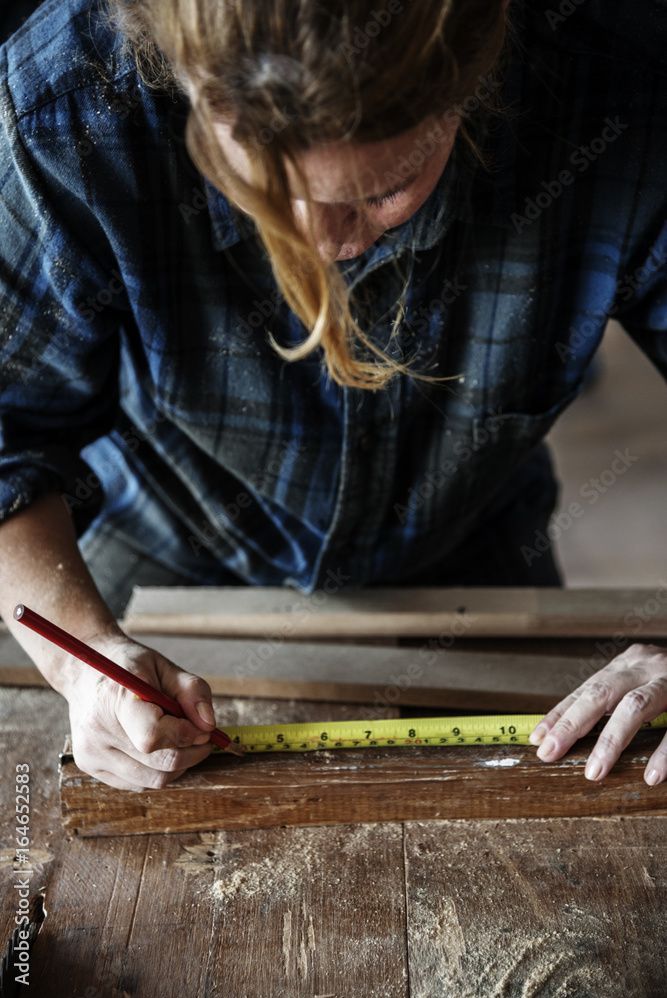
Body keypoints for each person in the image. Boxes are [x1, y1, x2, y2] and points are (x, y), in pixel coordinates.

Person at [0, 0, 665, 791]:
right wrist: (85, 661)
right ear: (186, 85)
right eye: (266, 185)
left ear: (475, 86)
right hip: (156, 550)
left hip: (472, 548)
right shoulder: (66, 104)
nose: (324, 244)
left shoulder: (628, 85)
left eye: (383, 189)